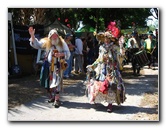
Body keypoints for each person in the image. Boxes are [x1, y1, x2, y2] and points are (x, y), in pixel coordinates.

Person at [28, 27, 70, 108]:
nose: (54, 37)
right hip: (49, 66)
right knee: (49, 83)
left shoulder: (62, 42)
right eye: (53, 36)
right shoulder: (47, 42)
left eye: (55, 36)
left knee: (57, 82)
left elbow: (68, 53)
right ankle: (52, 97)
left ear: (57, 36)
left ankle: (57, 99)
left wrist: (60, 54)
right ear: (50, 37)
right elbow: (36, 45)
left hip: (58, 66)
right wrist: (32, 35)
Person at [86, 31, 126, 112]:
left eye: (108, 38)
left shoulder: (115, 47)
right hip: (102, 69)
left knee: (112, 85)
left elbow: (120, 56)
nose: (106, 40)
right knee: (101, 84)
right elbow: (99, 58)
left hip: (112, 69)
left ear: (111, 39)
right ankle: (100, 99)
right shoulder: (101, 47)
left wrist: (121, 47)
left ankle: (110, 104)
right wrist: (93, 65)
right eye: (105, 38)